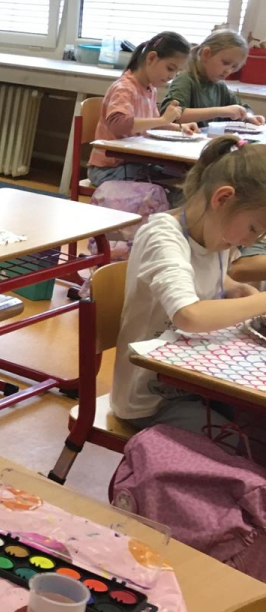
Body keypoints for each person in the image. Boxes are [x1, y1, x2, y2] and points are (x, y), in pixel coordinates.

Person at [110, 137, 266, 434]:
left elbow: (201, 275)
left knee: (257, 425)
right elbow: (189, 315)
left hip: (198, 384)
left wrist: (232, 287)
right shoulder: (162, 236)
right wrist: (262, 301)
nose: (250, 242)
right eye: (253, 229)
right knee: (246, 445)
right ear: (223, 199)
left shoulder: (216, 235)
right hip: (149, 401)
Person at [87, 31, 199, 189]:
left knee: (181, 178)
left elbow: (152, 125)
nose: (172, 76)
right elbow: (118, 125)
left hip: (134, 164)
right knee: (169, 188)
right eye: (170, 68)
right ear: (151, 58)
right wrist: (163, 119)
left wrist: (179, 128)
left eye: (177, 72)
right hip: (109, 170)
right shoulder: (125, 88)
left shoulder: (150, 89)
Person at [162, 29, 266, 126]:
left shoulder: (219, 87)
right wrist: (221, 111)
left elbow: (243, 108)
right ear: (206, 54)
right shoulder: (185, 81)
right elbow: (171, 117)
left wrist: (249, 116)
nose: (228, 71)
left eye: (234, 67)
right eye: (225, 63)